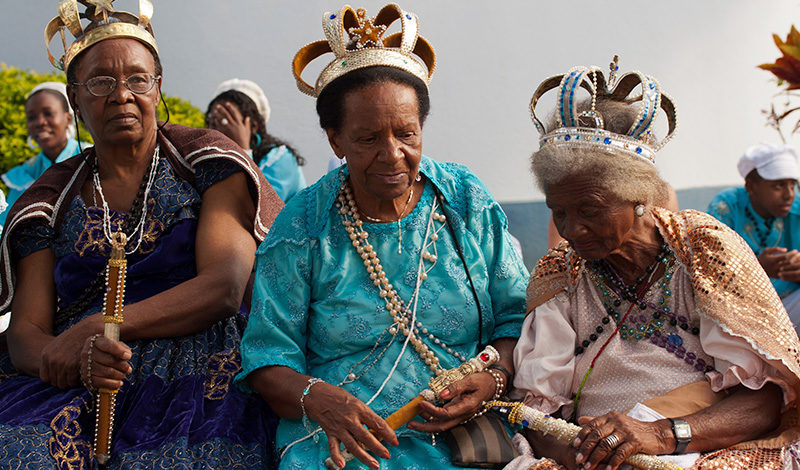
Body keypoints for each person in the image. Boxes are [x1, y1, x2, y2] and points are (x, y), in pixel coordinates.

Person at [235, 5, 528, 469]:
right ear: (335, 141)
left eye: (406, 134)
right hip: (338, 443)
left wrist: (494, 380)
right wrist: (319, 400)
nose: (393, 154)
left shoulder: (464, 200)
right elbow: (268, 359)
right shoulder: (302, 227)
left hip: (466, 436)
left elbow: (517, 319)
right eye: (368, 139)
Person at [0, 1, 282, 467]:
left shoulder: (208, 163)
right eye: (101, 82)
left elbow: (225, 286)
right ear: (75, 97)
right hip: (86, 373)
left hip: (205, 360)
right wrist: (68, 355)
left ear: (158, 86)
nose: (121, 95)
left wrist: (103, 325)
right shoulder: (48, 201)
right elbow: (26, 331)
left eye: (137, 79)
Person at [508, 62, 800, 470]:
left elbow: (764, 399)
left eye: (588, 209)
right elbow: (537, 418)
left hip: (705, 448)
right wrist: (590, 459)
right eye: (559, 212)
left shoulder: (702, 251)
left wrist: (661, 435)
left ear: (638, 195)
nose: (572, 230)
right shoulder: (561, 274)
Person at [707, 143, 800, 330]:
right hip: (741, 314)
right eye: (779, 186)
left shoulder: (797, 208)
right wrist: (757, 270)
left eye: (792, 185)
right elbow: (708, 274)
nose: (789, 195)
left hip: (789, 309)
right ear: (750, 186)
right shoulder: (726, 208)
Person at [207, 78, 307, 201]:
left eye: (227, 122)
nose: (218, 131)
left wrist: (242, 149)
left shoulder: (281, 158)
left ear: (253, 126)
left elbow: (260, 207)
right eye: (213, 122)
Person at [0, 82, 82, 228]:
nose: (40, 122)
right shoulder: (26, 173)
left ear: (68, 118)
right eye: (31, 117)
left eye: (48, 113)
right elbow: (7, 225)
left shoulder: (90, 159)